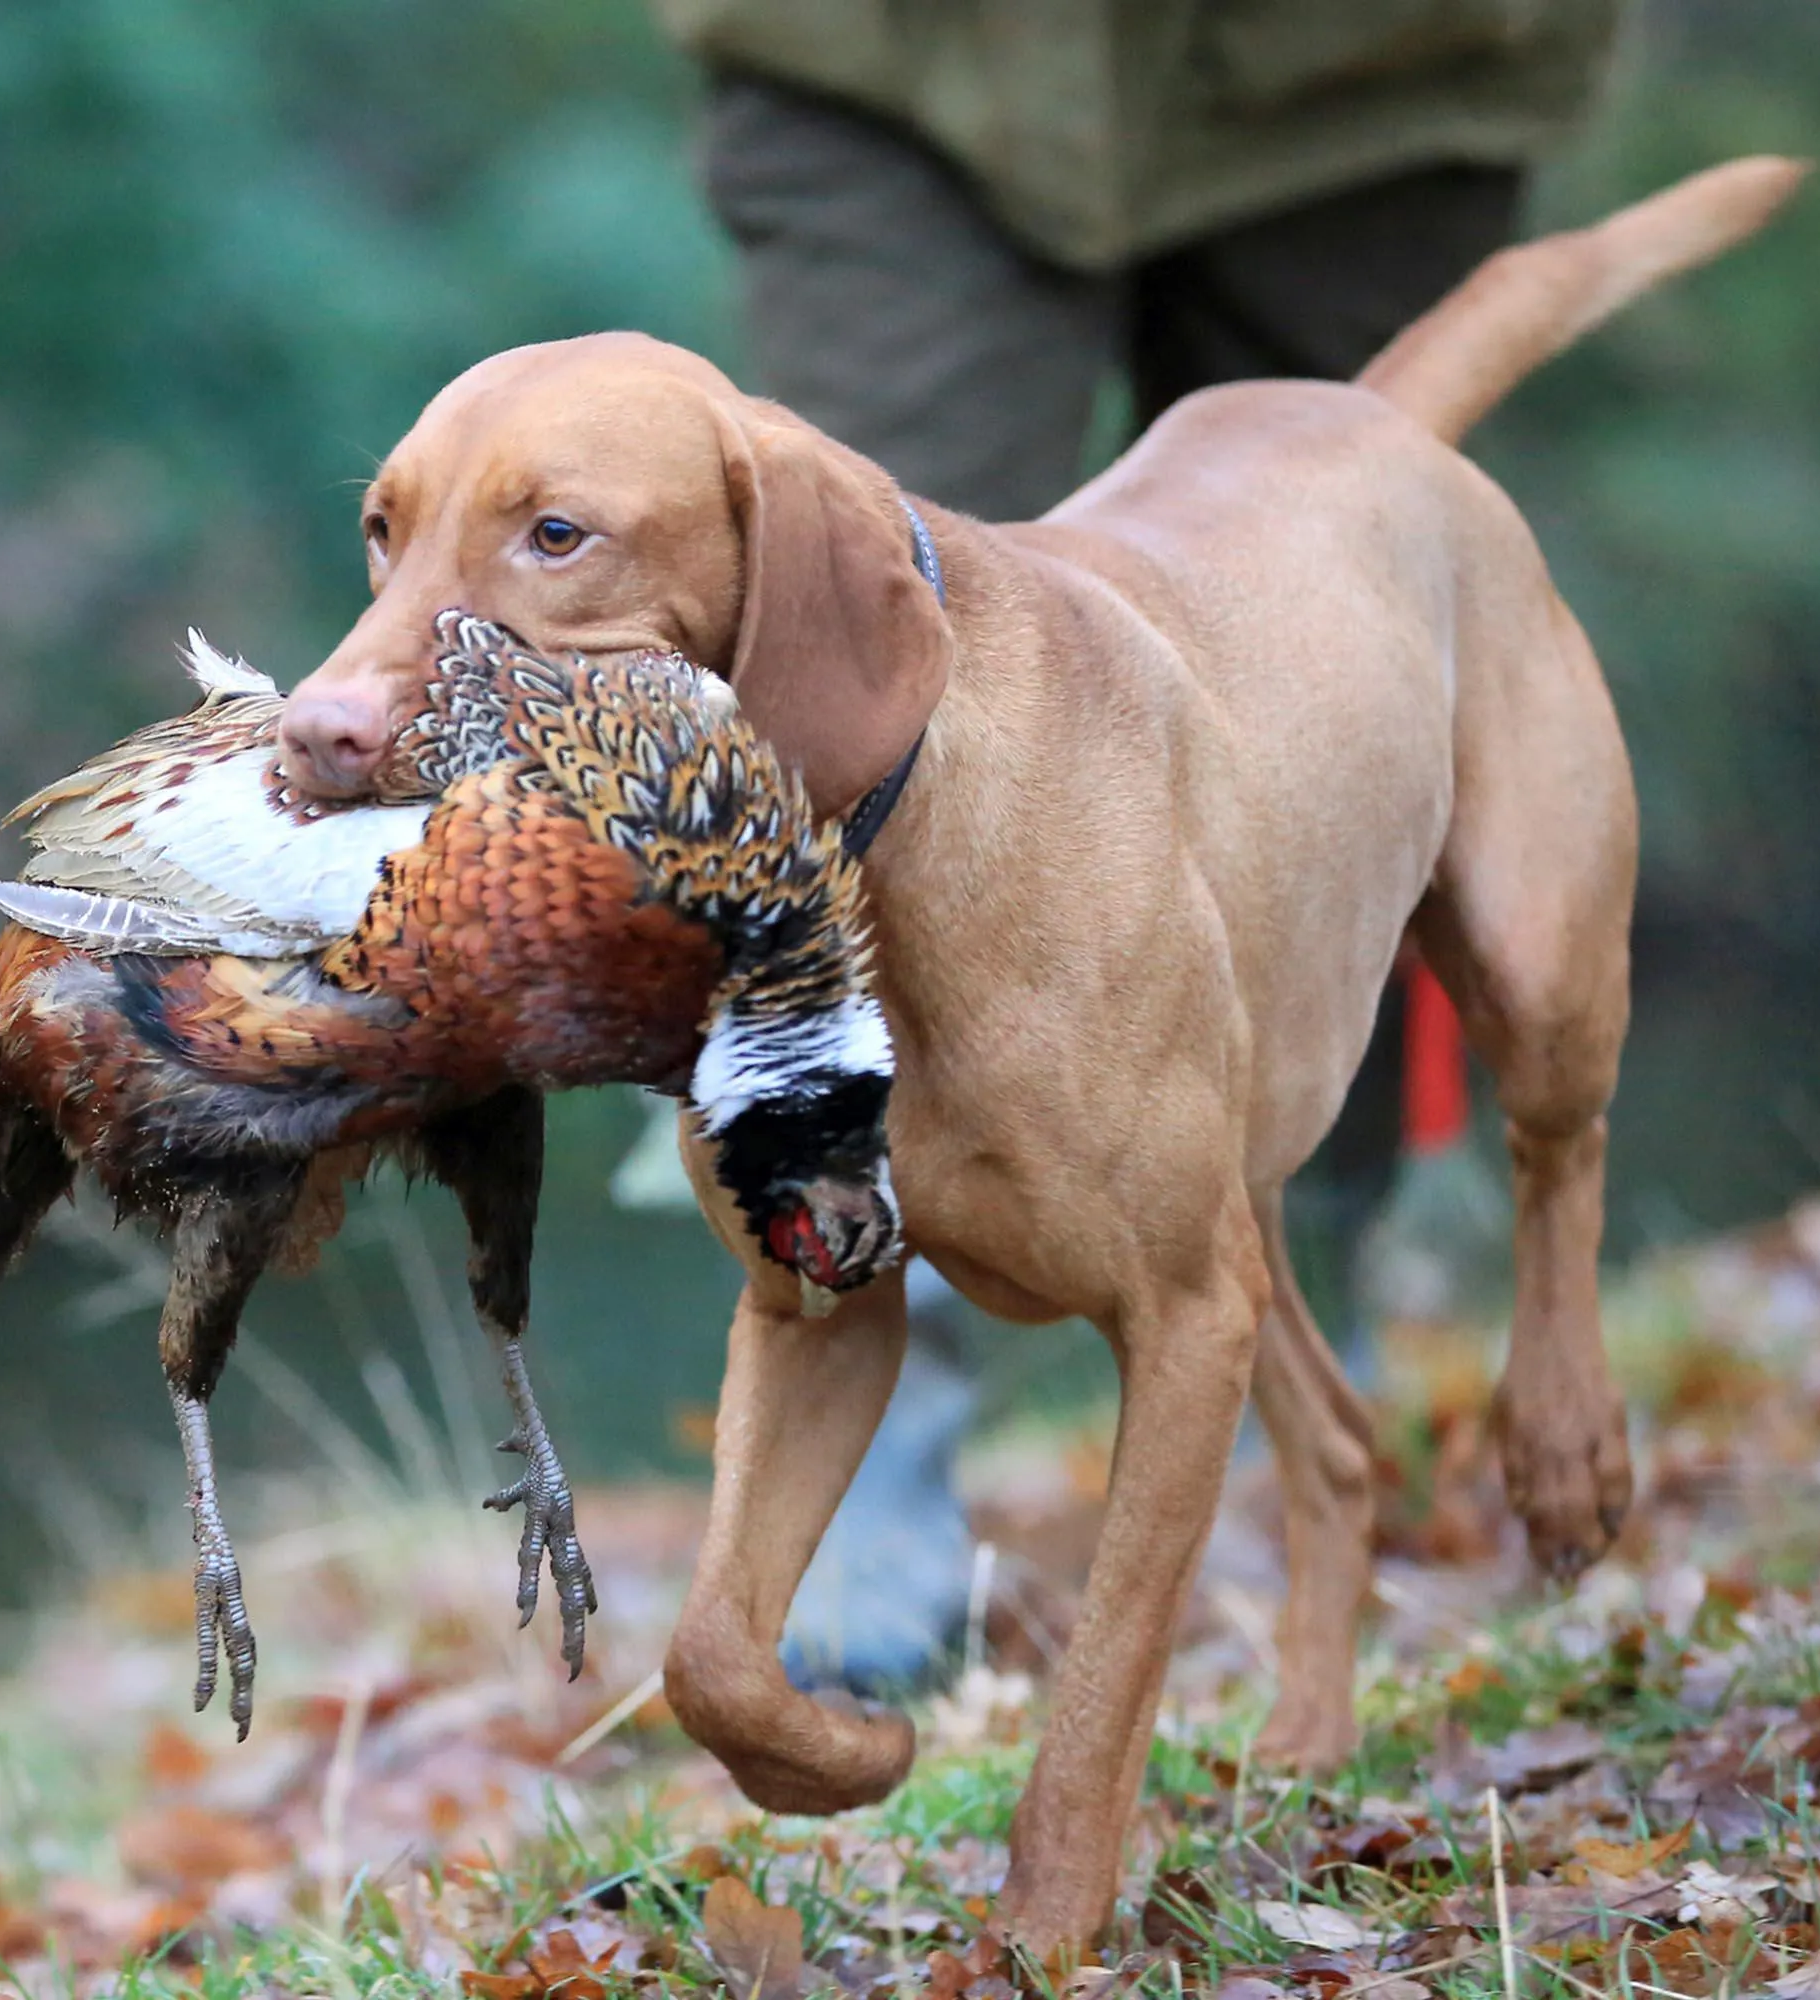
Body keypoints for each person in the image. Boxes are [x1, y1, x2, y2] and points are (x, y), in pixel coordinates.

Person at [627, 0, 1624, 1694]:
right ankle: (871, 1371)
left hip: (1378, 68)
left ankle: (1302, 1325)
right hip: (894, 65)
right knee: (850, 630)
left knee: (1319, 719)